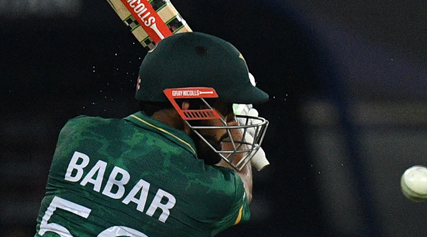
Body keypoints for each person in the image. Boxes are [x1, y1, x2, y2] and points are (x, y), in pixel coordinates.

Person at [34, 32, 270, 237]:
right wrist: (237, 132)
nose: (230, 121)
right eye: (226, 109)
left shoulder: (79, 134)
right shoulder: (207, 190)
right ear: (189, 106)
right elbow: (241, 185)